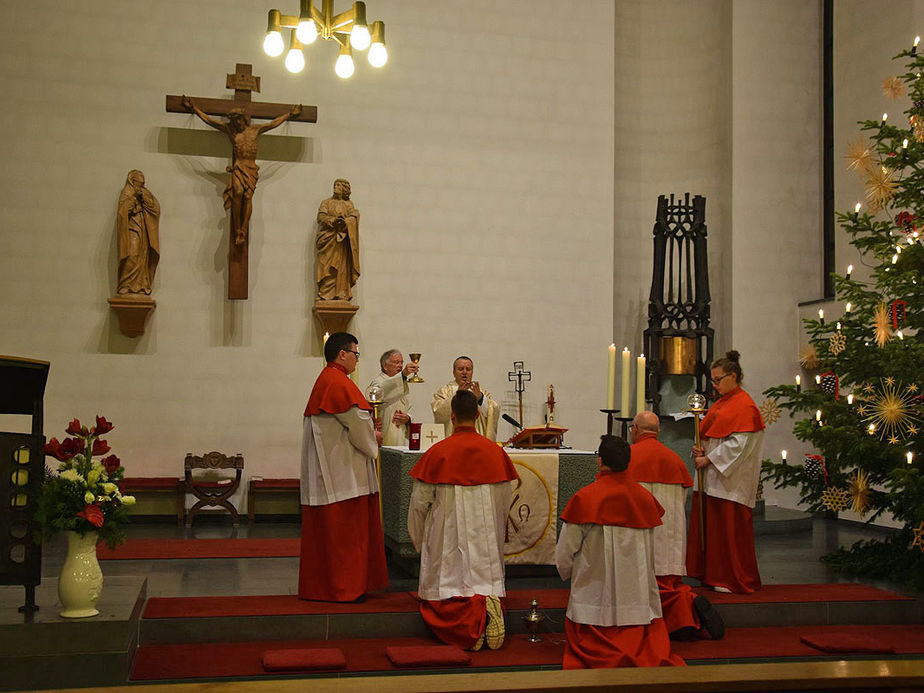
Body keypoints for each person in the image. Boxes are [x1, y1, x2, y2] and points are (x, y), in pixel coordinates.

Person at [556, 435, 684, 669]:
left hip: (593, 599)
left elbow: (565, 551)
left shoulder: (585, 498)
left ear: (600, 461)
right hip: (636, 596)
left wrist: (569, 574)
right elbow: (652, 549)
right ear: (628, 462)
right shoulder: (644, 498)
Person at [408, 390, 518, 650]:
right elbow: (504, 502)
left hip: (447, 537)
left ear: (453, 416)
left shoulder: (438, 453)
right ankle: (487, 607)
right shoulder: (495, 453)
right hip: (485, 538)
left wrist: (422, 543)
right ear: (478, 415)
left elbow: (419, 504)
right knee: (484, 578)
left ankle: (467, 626)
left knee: (446, 583)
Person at [298, 332, 388, 602]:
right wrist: (375, 439)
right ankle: (345, 588)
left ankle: (327, 587)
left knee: (328, 537)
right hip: (343, 474)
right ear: (342, 354)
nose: (357, 360)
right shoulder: (338, 383)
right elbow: (359, 428)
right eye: (356, 354)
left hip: (332, 471)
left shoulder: (327, 380)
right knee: (345, 537)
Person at [629, 411, 723, 640]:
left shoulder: (628, 458)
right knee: (668, 583)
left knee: (641, 586)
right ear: (658, 432)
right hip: (669, 539)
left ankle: (685, 612)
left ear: (635, 429)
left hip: (640, 537)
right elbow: (682, 501)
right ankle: (685, 617)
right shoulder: (674, 459)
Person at [686, 350, 765, 594]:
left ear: (734, 376)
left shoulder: (745, 407)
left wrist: (709, 458)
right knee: (713, 530)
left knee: (729, 531)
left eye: (719, 380)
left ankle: (731, 577)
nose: (715, 385)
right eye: (713, 380)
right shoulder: (722, 403)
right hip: (715, 477)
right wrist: (702, 449)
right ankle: (712, 574)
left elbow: (739, 445)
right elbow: (715, 435)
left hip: (731, 481)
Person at [182, 96, 301, 246]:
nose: (236, 124)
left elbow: (273, 123)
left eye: (238, 121)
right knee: (238, 192)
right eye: (233, 122)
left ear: (244, 119)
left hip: (250, 168)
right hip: (238, 167)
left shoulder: (255, 130)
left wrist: (289, 114)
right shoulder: (231, 131)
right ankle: (237, 227)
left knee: (248, 196)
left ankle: (243, 230)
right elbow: (210, 121)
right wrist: (194, 109)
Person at [431, 356, 500, 441]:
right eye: (460, 369)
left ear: (472, 372)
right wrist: (456, 396)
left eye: (468, 369)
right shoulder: (445, 391)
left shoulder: (480, 391)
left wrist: (480, 399)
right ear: (454, 372)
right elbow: (438, 411)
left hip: (477, 440)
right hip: (453, 440)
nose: (464, 372)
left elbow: (493, 411)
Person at [116, 170, 160, 295]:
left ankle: (142, 285)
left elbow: (155, 209)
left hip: (143, 230)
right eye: (138, 183)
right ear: (132, 181)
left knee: (143, 256)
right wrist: (133, 199)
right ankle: (126, 284)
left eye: (142, 183)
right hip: (131, 230)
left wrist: (144, 197)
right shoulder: (126, 193)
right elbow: (122, 212)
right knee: (132, 255)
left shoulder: (145, 192)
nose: (140, 186)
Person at [316, 178, 361, 301]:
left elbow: (353, 216)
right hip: (328, 238)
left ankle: (341, 292)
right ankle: (324, 292)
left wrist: (346, 222)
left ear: (344, 189)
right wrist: (332, 221)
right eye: (335, 185)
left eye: (339, 185)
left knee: (340, 266)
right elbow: (321, 216)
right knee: (326, 265)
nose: (336, 187)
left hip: (341, 240)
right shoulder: (326, 202)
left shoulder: (348, 205)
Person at [368, 349, 419, 446]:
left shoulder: (401, 385)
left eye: (401, 362)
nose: (400, 366)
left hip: (401, 436)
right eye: (396, 362)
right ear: (385, 366)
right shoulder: (378, 383)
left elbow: (408, 409)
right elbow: (384, 392)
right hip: (385, 433)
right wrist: (403, 375)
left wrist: (407, 418)